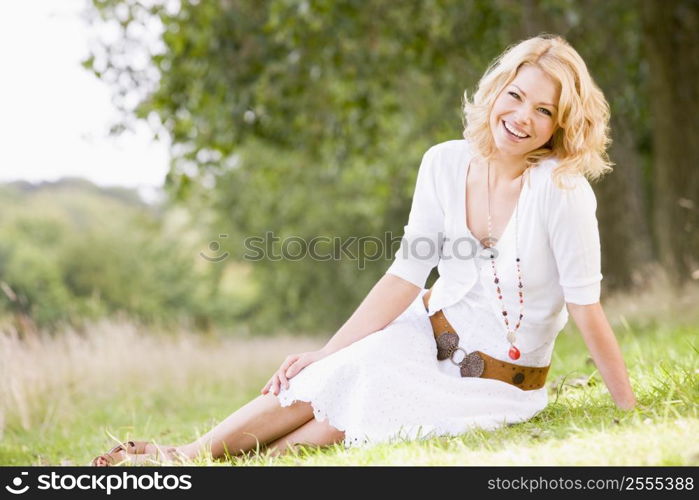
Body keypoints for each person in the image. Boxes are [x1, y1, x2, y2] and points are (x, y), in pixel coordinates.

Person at [91, 33, 637, 466]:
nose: (522, 117)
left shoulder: (562, 192)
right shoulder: (444, 162)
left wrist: (627, 411)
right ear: (496, 92)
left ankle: (218, 465)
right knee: (333, 375)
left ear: (561, 124)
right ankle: (184, 456)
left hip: (495, 382)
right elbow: (407, 274)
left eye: (544, 110)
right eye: (516, 96)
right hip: (424, 332)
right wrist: (325, 354)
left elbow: (586, 306)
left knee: (346, 410)